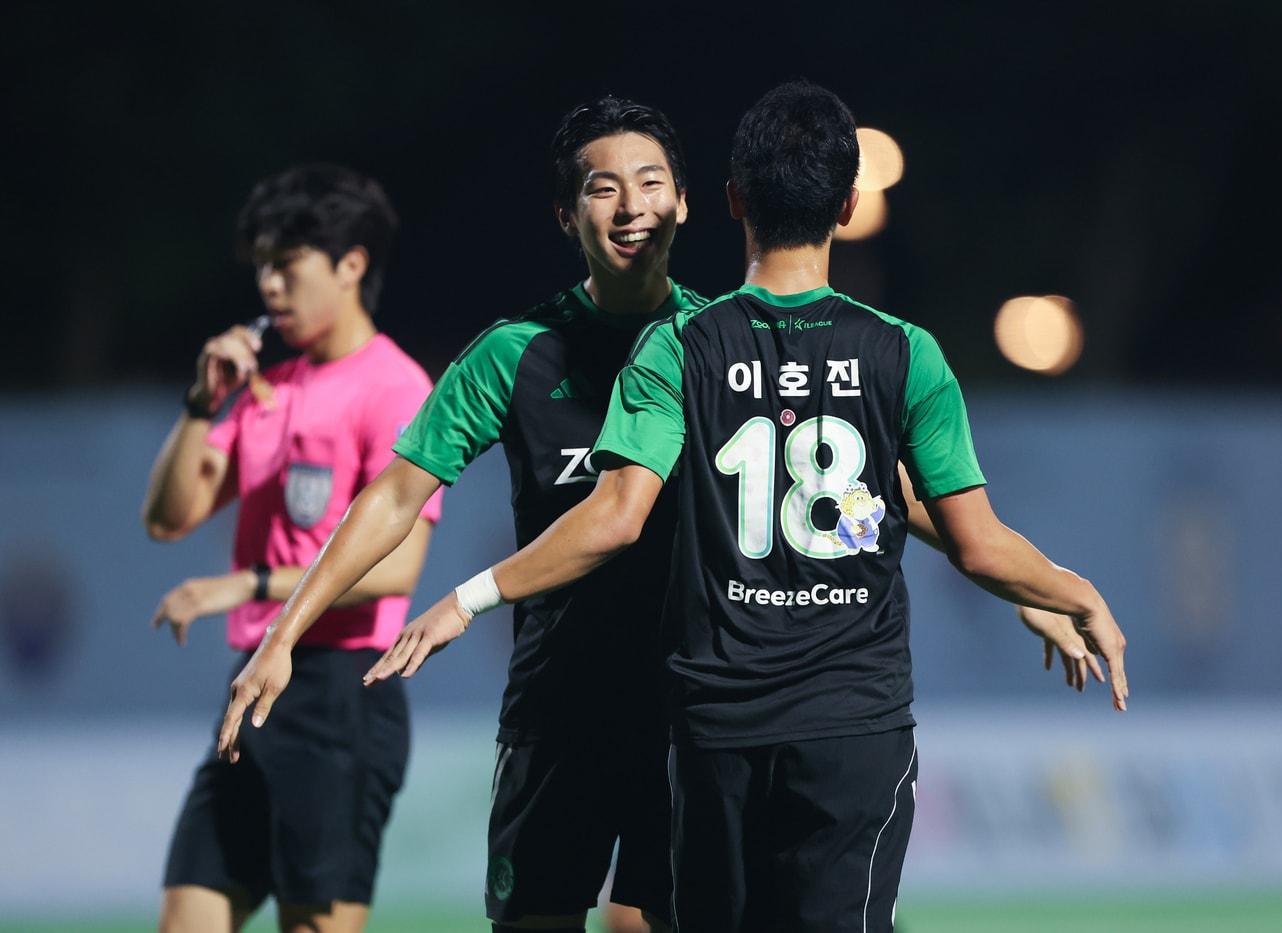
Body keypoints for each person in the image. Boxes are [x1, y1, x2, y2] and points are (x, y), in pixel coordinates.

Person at [356, 81, 1129, 932]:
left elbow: (616, 514)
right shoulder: (903, 351)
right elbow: (955, 530)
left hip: (715, 721)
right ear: (848, 204)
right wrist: (1060, 588)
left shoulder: (681, 346)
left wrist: (470, 597)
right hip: (850, 720)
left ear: (728, 201)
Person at [217, 98, 704, 933]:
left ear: (683, 202)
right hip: (559, 708)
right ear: (566, 214)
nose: (631, 206)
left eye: (652, 183)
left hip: (693, 707)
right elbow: (393, 495)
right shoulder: (514, 352)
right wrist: (283, 633)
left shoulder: (724, 342)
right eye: (603, 188)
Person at [143, 164, 442, 933]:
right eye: (262, 267)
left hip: (342, 692)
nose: (269, 285)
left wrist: (246, 584)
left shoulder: (396, 389)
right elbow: (168, 517)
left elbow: (397, 568)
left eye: (287, 264)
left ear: (351, 264)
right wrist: (201, 403)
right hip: (254, 687)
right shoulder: (268, 387)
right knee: (186, 918)